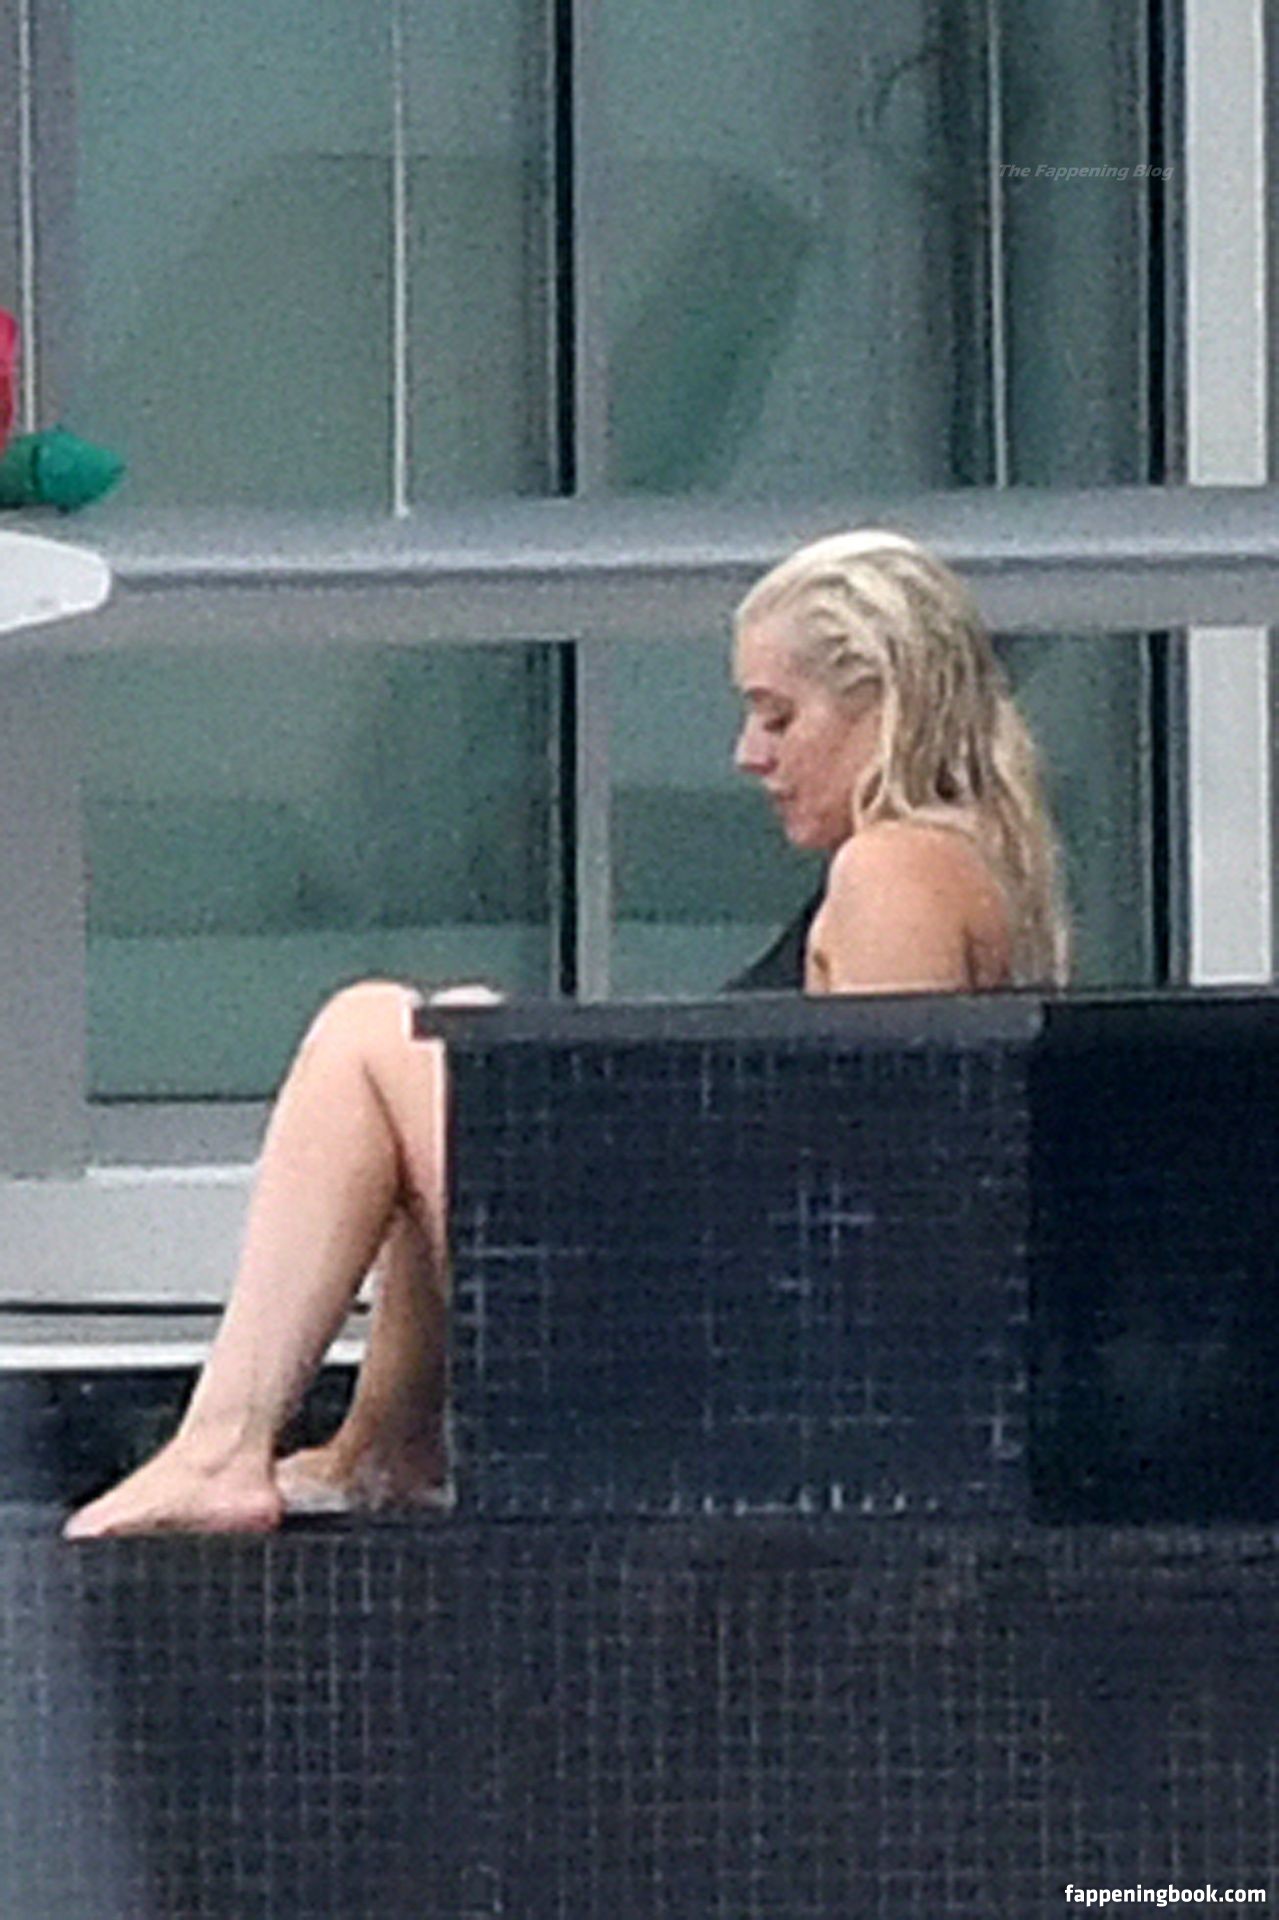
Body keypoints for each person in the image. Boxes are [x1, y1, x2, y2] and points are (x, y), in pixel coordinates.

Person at [64, 528, 1067, 1539]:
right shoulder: (961, 863)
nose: (748, 754)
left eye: (777, 716)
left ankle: (223, 1447)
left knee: (371, 1032)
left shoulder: (896, 870)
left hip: (751, 1366)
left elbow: (878, 1197)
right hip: (756, 1331)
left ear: (885, 706)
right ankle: (386, 1445)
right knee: (456, 1043)